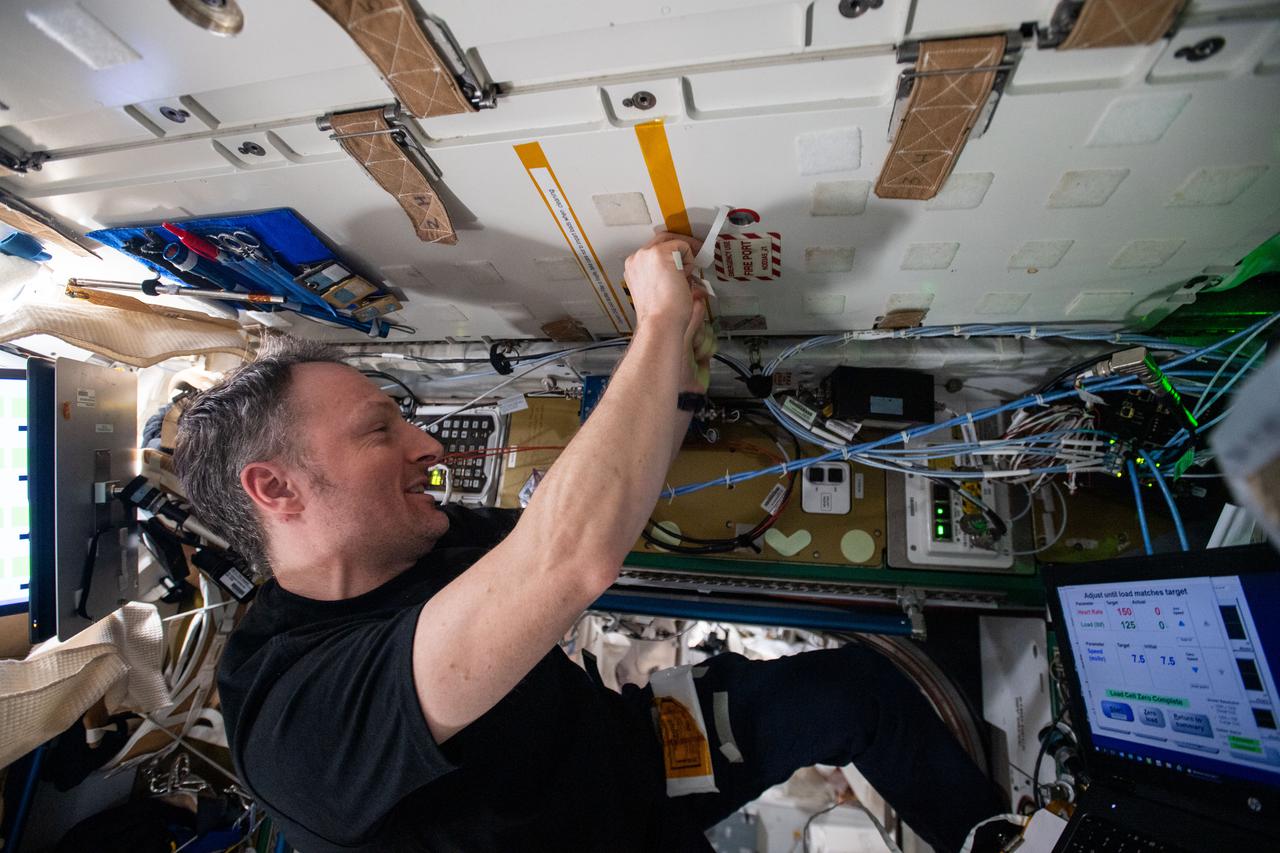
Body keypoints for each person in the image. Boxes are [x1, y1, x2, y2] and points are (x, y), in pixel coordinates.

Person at [175, 232, 1004, 852]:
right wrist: (656, 317)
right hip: (598, 840)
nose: (425, 446)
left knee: (858, 686)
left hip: (630, 755)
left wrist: (681, 367)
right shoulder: (293, 722)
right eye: (380, 430)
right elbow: (569, 559)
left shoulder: (416, 540)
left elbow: (567, 525)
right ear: (275, 489)